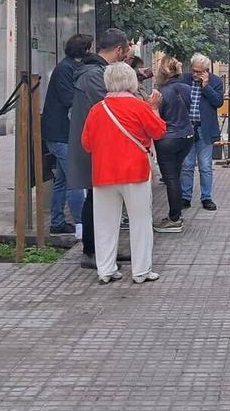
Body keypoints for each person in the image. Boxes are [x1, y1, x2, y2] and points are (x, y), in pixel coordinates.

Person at [80, 62, 166, 284]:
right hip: (135, 172)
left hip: (103, 174)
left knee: (105, 223)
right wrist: (154, 108)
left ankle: (106, 270)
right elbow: (158, 131)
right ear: (131, 82)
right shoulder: (139, 107)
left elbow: (86, 144)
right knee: (140, 221)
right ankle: (141, 271)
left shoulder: (97, 109)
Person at [68, 28, 134, 269]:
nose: (125, 57)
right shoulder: (94, 74)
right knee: (96, 199)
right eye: (125, 52)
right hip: (94, 146)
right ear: (118, 50)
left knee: (101, 198)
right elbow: (112, 104)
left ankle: (103, 250)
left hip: (97, 144)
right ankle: (92, 251)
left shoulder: (93, 71)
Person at [40, 34, 93, 234]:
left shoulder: (70, 67)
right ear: (83, 50)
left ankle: (57, 222)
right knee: (75, 178)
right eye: (88, 48)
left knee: (62, 180)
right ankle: (81, 224)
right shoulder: (65, 69)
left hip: (62, 133)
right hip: (60, 133)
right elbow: (69, 98)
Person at [152, 56, 194, 232]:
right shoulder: (187, 88)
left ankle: (174, 219)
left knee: (171, 179)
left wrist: (153, 108)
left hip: (168, 138)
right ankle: (176, 215)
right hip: (187, 136)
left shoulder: (161, 93)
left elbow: (156, 120)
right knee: (175, 176)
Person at [180, 53, 225, 211]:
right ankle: (185, 197)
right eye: (193, 70)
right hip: (187, 128)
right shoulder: (184, 79)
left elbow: (218, 102)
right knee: (187, 164)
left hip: (204, 129)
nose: (195, 74)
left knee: (205, 165)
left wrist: (206, 87)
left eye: (199, 72)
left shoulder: (215, 82)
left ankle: (206, 197)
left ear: (206, 71)